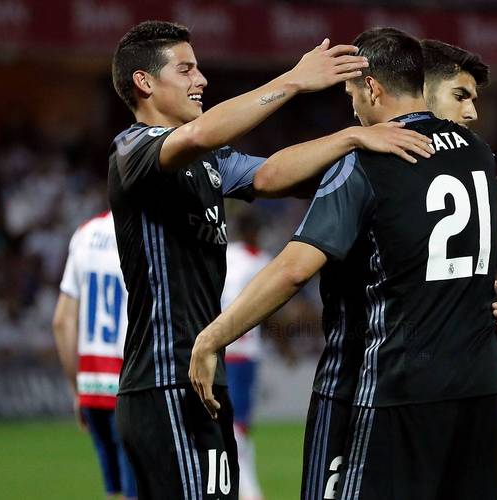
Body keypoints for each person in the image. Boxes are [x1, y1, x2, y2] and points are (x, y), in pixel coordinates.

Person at [108, 20, 433, 500]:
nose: (201, 79)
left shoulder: (209, 161)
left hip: (199, 375)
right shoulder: (132, 149)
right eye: (186, 69)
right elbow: (197, 135)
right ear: (144, 82)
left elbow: (271, 174)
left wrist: (352, 139)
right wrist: (294, 80)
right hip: (164, 378)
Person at [190, 28, 497, 500]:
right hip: (480, 391)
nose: (353, 106)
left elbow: (294, 268)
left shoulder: (366, 159)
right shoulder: (481, 155)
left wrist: (213, 336)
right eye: (462, 95)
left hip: (385, 385)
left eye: (353, 93)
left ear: (372, 88)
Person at [52, 210, 137, 500]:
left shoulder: (85, 233)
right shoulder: (147, 229)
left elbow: (62, 321)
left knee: (114, 491)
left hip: (91, 386)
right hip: (132, 383)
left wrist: (77, 390)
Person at [222, 213, 272, 500]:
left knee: (239, 422)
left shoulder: (227, 255)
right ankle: (247, 488)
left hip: (228, 348)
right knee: (238, 422)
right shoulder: (260, 260)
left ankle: (241, 481)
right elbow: (271, 306)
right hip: (241, 351)